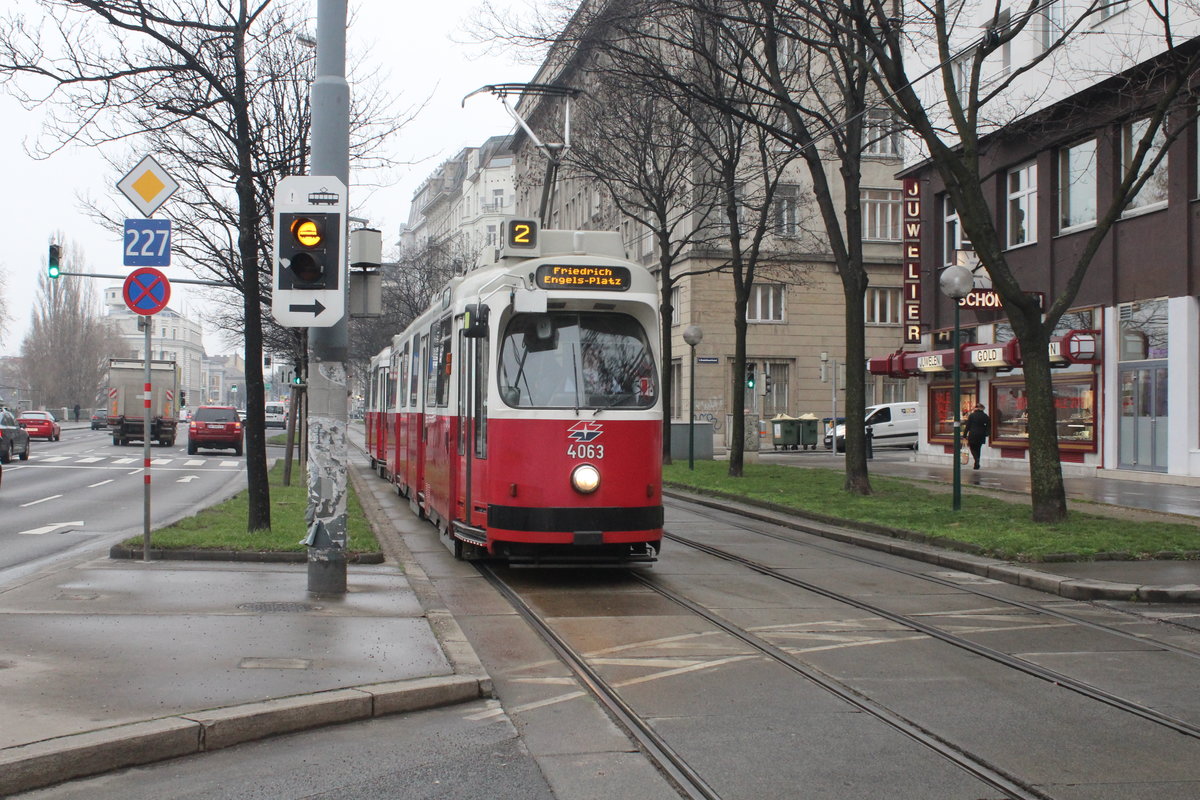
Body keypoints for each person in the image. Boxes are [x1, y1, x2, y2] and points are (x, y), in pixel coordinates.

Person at [965, 402, 991, 470]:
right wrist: (987, 433)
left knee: (972, 447)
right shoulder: (985, 416)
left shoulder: (972, 415)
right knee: (978, 448)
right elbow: (989, 426)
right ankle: (977, 461)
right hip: (981, 434)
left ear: (976, 408)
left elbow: (968, 426)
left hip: (973, 434)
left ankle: (976, 460)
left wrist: (964, 435)